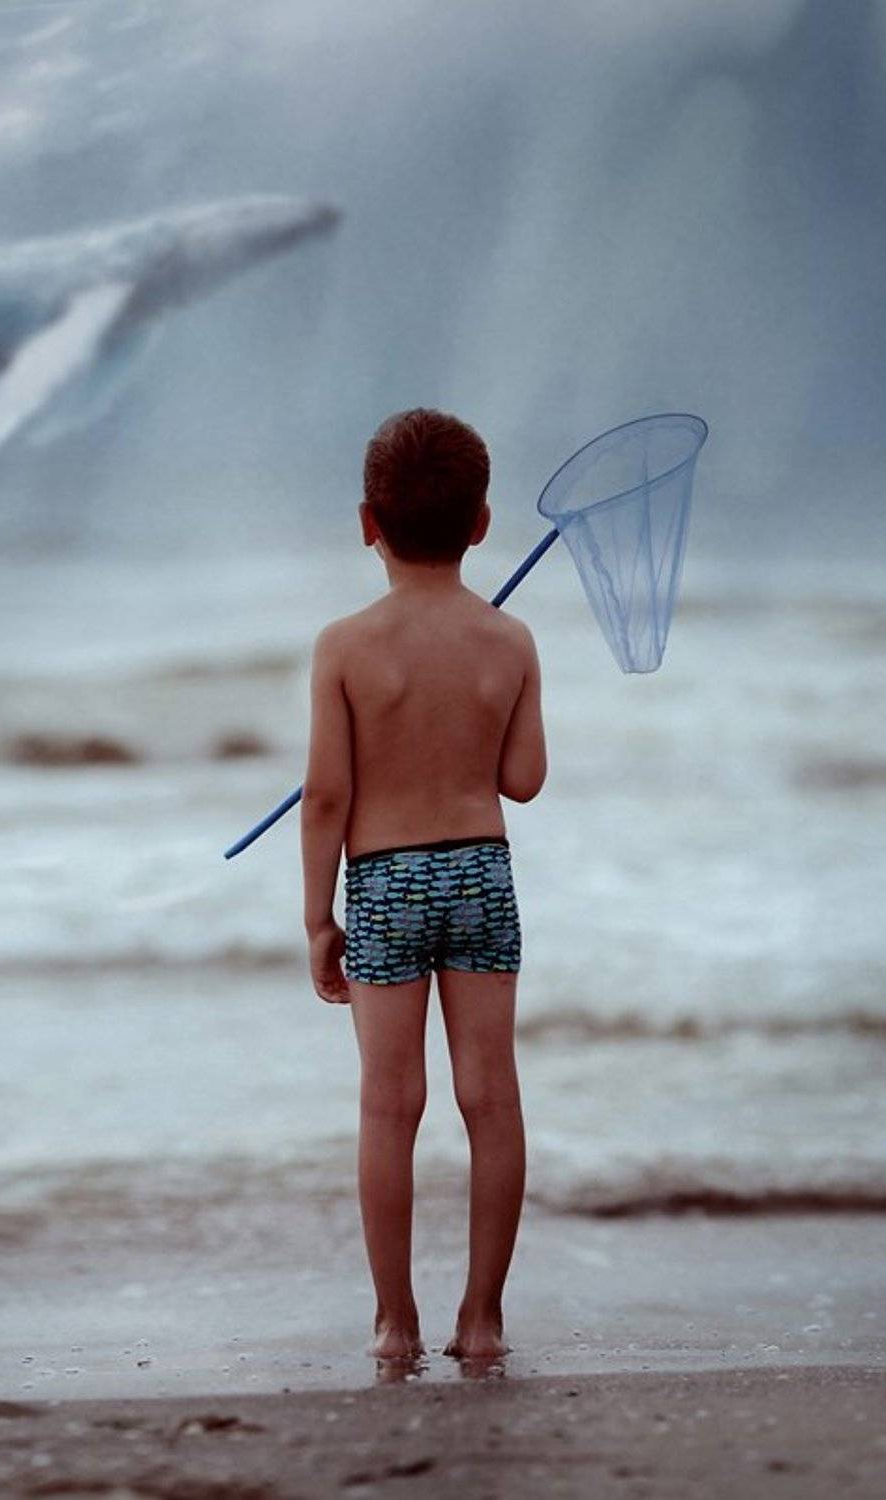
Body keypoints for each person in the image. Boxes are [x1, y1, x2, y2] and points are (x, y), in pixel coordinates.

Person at [299, 407, 546, 1366]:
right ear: (482, 524)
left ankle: (395, 1322)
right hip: (480, 871)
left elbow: (326, 799)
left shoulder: (345, 646)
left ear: (369, 522)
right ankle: (481, 1318)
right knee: (492, 1100)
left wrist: (318, 918)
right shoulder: (510, 640)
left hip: (385, 882)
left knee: (387, 1107)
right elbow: (522, 780)